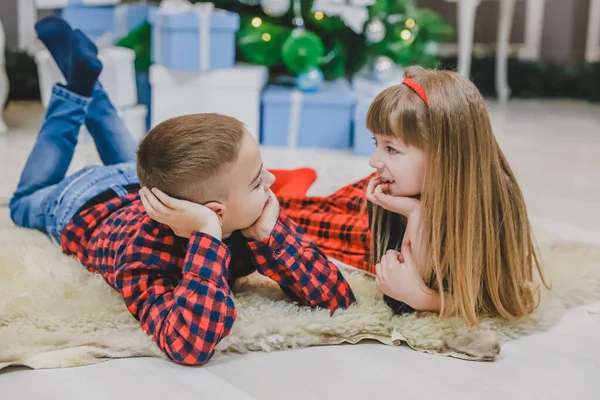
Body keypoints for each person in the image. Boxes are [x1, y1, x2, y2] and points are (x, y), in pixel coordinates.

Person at [9, 17, 355, 366]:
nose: (271, 181)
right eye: (256, 181)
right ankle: (79, 92)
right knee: (23, 201)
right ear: (215, 212)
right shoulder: (142, 258)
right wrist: (206, 236)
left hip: (136, 183)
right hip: (80, 203)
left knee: (141, 160)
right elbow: (189, 346)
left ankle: (84, 82)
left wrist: (268, 234)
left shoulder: (249, 220)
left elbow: (336, 299)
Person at [274, 66, 548, 325]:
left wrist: (423, 295)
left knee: (304, 222)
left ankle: (297, 180)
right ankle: (294, 179)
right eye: (376, 144)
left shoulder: (495, 203)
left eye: (391, 149)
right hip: (385, 200)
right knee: (293, 216)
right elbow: (400, 297)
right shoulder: (390, 189)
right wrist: (414, 211)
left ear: (444, 155)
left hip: (396, 205)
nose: (373, 160)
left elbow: (496, 300)